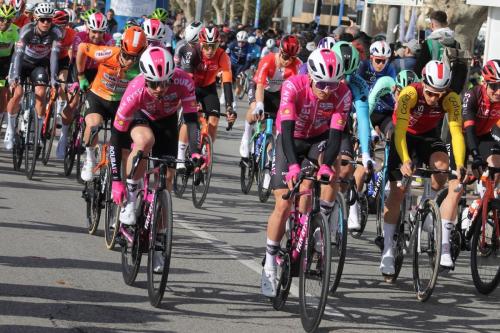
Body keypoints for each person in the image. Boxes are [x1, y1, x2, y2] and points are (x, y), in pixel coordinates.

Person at [261, 48, 351, 297]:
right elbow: (287, 133)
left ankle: (315, 229)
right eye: (322, 83)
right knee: (283, 202)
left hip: (317, 140)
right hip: (290, 139)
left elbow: (335, 137)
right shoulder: (293, 86)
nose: (327, 90)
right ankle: (269, 262)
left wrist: (324, 165)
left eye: (333, 84)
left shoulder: (342, 94)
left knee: (320, 177)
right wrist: (292, 166)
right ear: (311, 76)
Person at [109, 48, 200, 256]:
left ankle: (159, 238)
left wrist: (194, 152)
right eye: (154, 84)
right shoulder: (135, 90)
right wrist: (116, 181)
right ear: (145, 79)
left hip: (166, 122)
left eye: (165, 82)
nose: (160, 88)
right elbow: (115, 139)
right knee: (145, 141)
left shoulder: (184, 81)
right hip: (141, 117)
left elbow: (192, 120)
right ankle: (131, 201)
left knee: (166, 181)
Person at [382, 60, 465, 275]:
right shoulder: (409, 94)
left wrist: (461, 163)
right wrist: (406, 159)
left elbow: (456, 133)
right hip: (404, 135)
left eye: (439, 94)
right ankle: (388, 249)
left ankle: (426, 204)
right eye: (430, 93)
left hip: (428, 137)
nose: (434, 99)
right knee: (398, 191)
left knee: (442, 167)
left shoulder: (451, 99)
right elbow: (399, 131)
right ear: (423, 84)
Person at [76, 26, 146, 182]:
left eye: (135, 57)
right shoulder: (108, 53)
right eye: (126, 55)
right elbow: (82, 48)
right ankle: (89, 159)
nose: (129, 61)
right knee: (93, 125)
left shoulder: (142, 65)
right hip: (98, 97)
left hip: (122, 104)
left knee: (125, 150)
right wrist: (81, 76)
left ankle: (126, 182)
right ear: (121, 47)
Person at [176, 25, 236, 171]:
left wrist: (229, 107)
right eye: (207, 46)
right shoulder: (193, 51)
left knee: (214, 119)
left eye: (213, 46)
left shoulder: (223, 56)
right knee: (190, 117)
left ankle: (205, 150)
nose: (210, 50)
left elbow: (227, 81)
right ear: (201, 43)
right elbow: (188, 79)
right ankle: (180, 157)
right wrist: (192, 102)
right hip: (191, 86)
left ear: (218, 44)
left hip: (209, 88)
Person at [4, 2, 62, 150]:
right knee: (17, 93)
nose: (46, 23)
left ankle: (36, 133)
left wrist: (54, 77)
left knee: (41, 93)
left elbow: (54, 57)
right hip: (22, 62)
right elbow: (18, 55)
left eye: (49, 20)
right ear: (36, 19)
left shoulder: (56, 32)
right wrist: (15, 76)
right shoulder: (26, 30)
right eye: (42, 19)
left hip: (39, 65)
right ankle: (10, 130)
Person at [239, 35, 301, 162]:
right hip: (260, 88)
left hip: (277, 93)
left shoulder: (297, 65)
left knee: (275, 126)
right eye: (285, 56)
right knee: (254, 111)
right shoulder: (268, 60)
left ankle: (269, 160)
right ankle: (246, 137)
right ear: (280, 51)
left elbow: (296, 90)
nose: (288, 61)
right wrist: (260, 104)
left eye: (292, 57)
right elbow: (260, 85)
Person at [415, 10, 466, 94]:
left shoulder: (428, 43)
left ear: (432, 25)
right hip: (449, 89)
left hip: (431, 90)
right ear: (446, 23)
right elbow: (460, 68)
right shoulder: (456, 43)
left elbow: (418, 69)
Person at [0, 4, 18, 124]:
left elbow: (18, 52)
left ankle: (2, 114)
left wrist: (14, 70)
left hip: (7, 60)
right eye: (1, 19)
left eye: (8, 20)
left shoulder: (16, 30)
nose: (4, 23)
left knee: (3, 90)